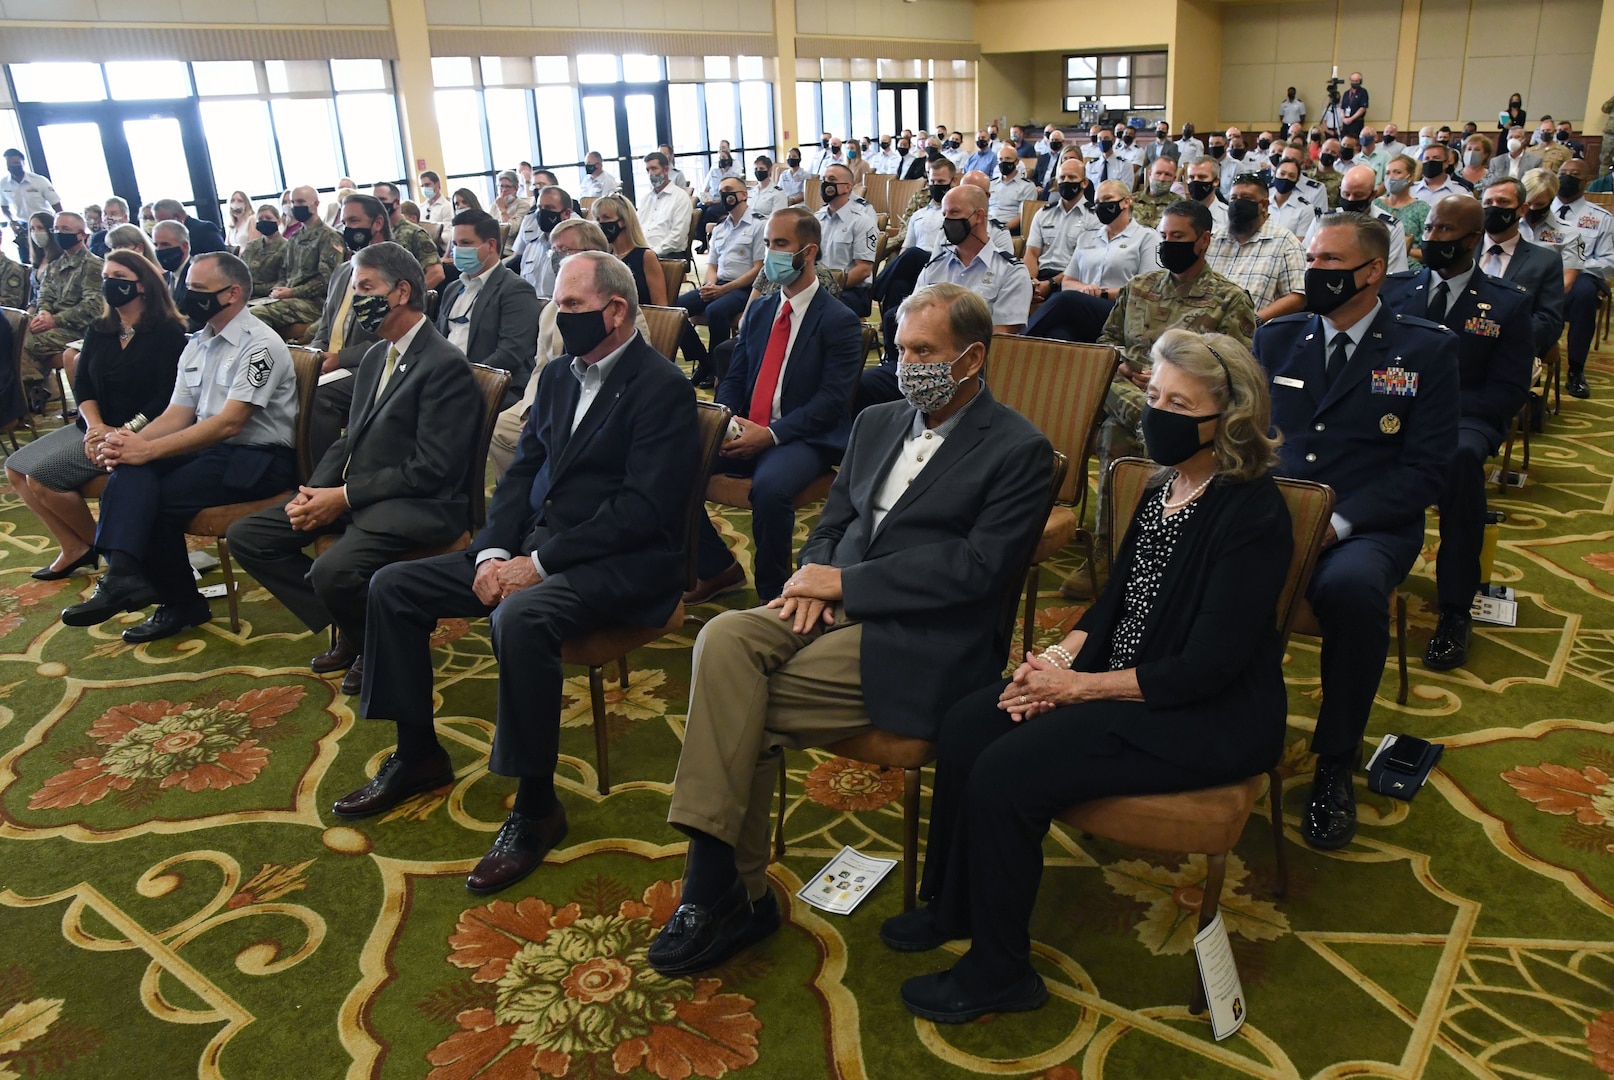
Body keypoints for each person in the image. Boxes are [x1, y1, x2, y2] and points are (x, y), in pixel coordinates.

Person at [645, 283, 1054, 978]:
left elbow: (976, 570)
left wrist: (850, 584)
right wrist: (815, 576)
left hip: (922, 642)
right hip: (830, 607)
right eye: (898, 348)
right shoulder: (877, 423)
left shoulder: (1020, 449)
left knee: (742, 711)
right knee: (723, 641)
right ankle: (727, 892)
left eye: (923, 351)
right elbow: (833, 523)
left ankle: (718, 892)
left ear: (972, 357)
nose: (904, 363)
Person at [884, 328, 1292, 1022]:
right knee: (967, 725)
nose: (1155, 413)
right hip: (1120, 680)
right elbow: (1112, 605)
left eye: (1178, 403)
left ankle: (999, 969)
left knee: (1008, 771)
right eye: (1154, 395)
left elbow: (1207, 668)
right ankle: (952, 902)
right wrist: (1057, 663)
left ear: (1231, 418)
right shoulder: (1165, 484)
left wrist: (1076, 690)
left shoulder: (1253, 514)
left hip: (1204, 712)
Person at [333, 252, 698, 895]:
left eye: (573, 306)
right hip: (538, 550)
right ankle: (418, 753)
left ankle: (536, 806)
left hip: (626, 564)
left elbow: (641, 512)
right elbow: (520, 474)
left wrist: (540, 564)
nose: (558, 315)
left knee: (521, 616)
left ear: (616, 310)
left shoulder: (660, 385)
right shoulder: (558, 376)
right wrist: (494, 553)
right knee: (393, 584)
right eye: (558, 304)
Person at [1253, 212, 1458, 850]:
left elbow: (1426, 470)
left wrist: (1337, 524)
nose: (1313, 273)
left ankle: (1336, 761)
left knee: (1352, 591)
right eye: (1311, 261)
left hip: (1368, 523)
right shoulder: (1279, 338)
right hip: (1279, 511)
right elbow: (1252, 438)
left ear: (1373, 272)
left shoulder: (1426, 348)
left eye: (1329, 265)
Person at [228, 242, 483, 695]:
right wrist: (314, 491)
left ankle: (371, 639)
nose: (356, 298)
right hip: (363, 492)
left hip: (418, 503)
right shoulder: (373, 355)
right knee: (248, 537)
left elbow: (432, 469)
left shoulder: (444, 365)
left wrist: (341, 498)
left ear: (402, 292)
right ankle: (363, 628)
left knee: (332, 572)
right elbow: (350, 440)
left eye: (366, 287)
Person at [60, 251, 299, 643]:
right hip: (211, 451)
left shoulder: (260, 345)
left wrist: (149, 450)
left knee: (153, 496)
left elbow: (230, 423)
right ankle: (123, 575)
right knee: (131, 471)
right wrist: (129, 444)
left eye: (199, 290)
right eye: (188, 288)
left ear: (232, 293)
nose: (189, 297)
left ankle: (175, 600)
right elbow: (177, 414)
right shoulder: (198, 343)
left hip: (257, 458)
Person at [1379, 196, 1533, 672]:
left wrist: (1436, 411)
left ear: (1471, 240)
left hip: (1465, 420)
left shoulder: (1507, 303)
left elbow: (1508, 391)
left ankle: (1455, 609)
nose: (1432, 238)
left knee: (1462, 461)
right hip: (1392, 410)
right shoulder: (1395, 289)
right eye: (1429, 227)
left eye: (1445, 231)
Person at [688, 207, 863, 604]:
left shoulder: (839, 321)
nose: (770, 254)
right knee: (671, 461)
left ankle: (773, 594)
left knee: (769, 490)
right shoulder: (763, 310)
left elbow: (832, 402)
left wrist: (769, 435)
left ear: (809, 252)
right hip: (748, 426)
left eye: (781, 244)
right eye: (767, 244)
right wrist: (725, 420)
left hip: (803, 436)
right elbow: (735, 375)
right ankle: (718, 567)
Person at [1089, 201, 1257, 589]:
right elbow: (1107, 342)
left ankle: (1149, 551)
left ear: (1203, 241)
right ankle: (1107, 550)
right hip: (1127, 388)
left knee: (1116, 431)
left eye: (1177, 238)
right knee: (1104, 382)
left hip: (1186, 409)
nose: (1167, 244)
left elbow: (1232, 369)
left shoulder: (1229, 298)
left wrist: (1172, 387)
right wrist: (1127, 368)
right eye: (1163, 236)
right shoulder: (1139, 287)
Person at [6, 251, 187, 579]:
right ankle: (77, 548)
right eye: (105, 277)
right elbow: (84, 384)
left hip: (140, 430)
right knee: (15, 468)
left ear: (142, 285)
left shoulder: (168, 332)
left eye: (119, 278)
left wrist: (120, 430)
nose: (109, 284)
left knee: (43, 477)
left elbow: (167, 396)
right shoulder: (101, 328)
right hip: (95, 425)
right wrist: (96, 425)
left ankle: (116, 559)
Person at [487, 221, 652, 478]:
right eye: (554, 251)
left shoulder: (622, 312)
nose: (556, 258)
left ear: (592, 252)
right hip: (554, 399)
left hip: (602, 403)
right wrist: (532, 410)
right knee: (499, 429)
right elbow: (541, 367)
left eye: (565, 250)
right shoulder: (552, 310)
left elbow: (634, 371)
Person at [301, 193, 392, 464]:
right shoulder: (343, 271)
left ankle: (324, 473)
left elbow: (392, 340)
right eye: (344, 222)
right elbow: (325, 327)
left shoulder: (395, 269)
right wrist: (313, 356)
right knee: (289, 382)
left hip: (371, 365)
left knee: (317, 395)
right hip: (331, 363)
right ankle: (291, 468)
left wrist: (339, 359)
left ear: (377, 223)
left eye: (354, 221)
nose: (347, 229)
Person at [437, 208, 540, 407]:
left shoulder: (515, 290)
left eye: (466, 243)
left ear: (491, 245)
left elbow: (510, 353)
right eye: (456, 244)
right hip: (446, 383)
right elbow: (437, 339)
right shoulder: (453, 289)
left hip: (492, 386)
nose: (458, 250)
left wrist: (461, 379)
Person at [677, 177, 766, 385]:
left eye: (729, 190)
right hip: (719, 284)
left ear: (744, 194)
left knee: (715, 310)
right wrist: (710, 285)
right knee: (677, 309)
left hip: (744, 287)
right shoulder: (720, 228)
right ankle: (704, 359)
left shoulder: (759, 225)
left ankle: (717, 371)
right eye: (721, 191)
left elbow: (758, 269)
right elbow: (712, 266)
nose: (724, 195)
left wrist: (723, 289)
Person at [1548, 160, 1613, 399]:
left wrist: (1575, 266)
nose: (1566, 178)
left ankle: (1576, 369)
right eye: (1562, 173)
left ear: (1587, 182)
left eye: (1574, 174)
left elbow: (1608, 260)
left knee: (1585, 294)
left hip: (1582, 277)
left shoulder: (1600, 217)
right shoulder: (1540, 210)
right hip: (1541, 273)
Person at [1480, 178, 1567, 355]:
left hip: (1511, 350)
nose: (1494, 207)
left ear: (1522, 209)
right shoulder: (1463, 250)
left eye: (1503, 202)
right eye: (1488, 202)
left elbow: (1549, 320)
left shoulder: (1545, 261)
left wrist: (1498, 336)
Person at [1206, 173, 1306, 323]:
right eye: (1234, 198)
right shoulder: (1214, 239)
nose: (1238, 203)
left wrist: (1255, 320)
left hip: (1251, 333)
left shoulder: (1285, 243)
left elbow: (1297, 297)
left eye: (1246, 198)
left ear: (1264, 205)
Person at [24, 212, 103, 381]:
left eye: (65, 229)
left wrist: (55, 320)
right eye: (56, 229)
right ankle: (30, 390)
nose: (59, 233)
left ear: (82, 234)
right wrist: (44, 312)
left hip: (80, 329)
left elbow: (92, 307)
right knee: (14, 334)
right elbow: (44, 295)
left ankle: (32, 390)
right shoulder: (55, 266)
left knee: (23, 343)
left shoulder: (93, 265)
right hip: (53, 326)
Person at [253, 186, 342, 333]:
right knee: (241, 313)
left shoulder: (329, 237)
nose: (296, 207)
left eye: (301, 202)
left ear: (316, 204)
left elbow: (327, 281)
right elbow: (286, 273)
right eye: (293, 203)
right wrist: (279, 289)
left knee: (256, 315)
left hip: (315, 303)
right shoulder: (295, 237)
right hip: (290, 298)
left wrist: (292, 292)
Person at [1312, 165, 1411, 273]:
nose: (1351, 199)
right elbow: (1306, 261)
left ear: (1373, 195)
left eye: (1358, 195)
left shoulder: (1390, 227)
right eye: (1346, 194)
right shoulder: (1323, 221)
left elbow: (1393, 273)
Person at [1024, 158, 1096, 301]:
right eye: (1062, 177)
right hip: (1040, 277)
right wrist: (1032, 283)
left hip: (1071, 280)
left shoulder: (1094, 217)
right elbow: (1032, 253)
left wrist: (1051, 284)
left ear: (1084, 183)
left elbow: (1085, 263)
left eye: (1072, 177)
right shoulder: (1043, 213)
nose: (1066, 181)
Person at [815, 164, 879, 316]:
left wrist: (830, 287)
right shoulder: (815, 219)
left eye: (831, 180)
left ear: (847, 187)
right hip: (818, 287)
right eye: (824, 179)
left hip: (850, 291)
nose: (825, 184)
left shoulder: (862, 221)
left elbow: (863, 269)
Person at [591, 194, 668, 307]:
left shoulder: (646, 256)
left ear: (623, 221)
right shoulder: (603, 257)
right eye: (598, 219)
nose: (601, 223)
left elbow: (661, 305)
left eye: (606, 217)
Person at [1519, 168, 1585, 299]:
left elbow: (1567, 279)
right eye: (1528, 203)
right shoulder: (1508, 227)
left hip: (1545, 298)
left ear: (1551, 199)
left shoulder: (1569, 233)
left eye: (1540, 204)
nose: (1532, 209)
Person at [374, 181, 444, 291]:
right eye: (375, 201)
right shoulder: (377, 234)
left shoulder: (415, 233)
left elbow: (436, 273)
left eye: (382, 200)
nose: (378, 205)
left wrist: (411, 296)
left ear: (396, 203)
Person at [1, 148, 62, 265]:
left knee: (51, 255)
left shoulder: (39, 181)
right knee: (29, 259)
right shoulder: (3, 184)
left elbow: (56, 205)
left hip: (44, 223)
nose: (13, 167)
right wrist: (12, 221)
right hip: (23, 226)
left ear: (23, 162)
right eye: (9, 164)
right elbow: (4, 207)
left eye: (16, 163)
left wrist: (59, 225)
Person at [512, 185, 573, 297]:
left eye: (549, 208)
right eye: (540, 208)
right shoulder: (531, 246)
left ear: (566, 214)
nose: (542, 213)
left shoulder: (574, 248)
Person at [638, 152, 694, 260]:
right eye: (647, 170)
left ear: (666, 170)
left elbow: (677, 237)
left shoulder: (680, 197)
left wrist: (652, 253)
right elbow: (637, 229)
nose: (650, 173)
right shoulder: (645, 199)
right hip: (644, 252)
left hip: (668, 254)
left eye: (654, 169)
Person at [240, 205, 287, 299]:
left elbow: (284, 280)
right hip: (247, 295)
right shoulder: (251, 246)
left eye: (268, 218)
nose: (264, 221)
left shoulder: (286, 247)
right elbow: (240, 272)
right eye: (260, 219)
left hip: (270, 296)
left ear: (278, 221)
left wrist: (252, 289)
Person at [989, 146, 1038, 235]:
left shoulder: (1027, 186)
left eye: (1008, 159)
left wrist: (1002, 229)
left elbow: (1023, 215)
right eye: (1000, 159)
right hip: (987, 227)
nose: (1003, 162)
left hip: (1009, 230)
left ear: (1016, 161)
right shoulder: (991, 184)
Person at [152, 198, 226, 256]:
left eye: (163, 222)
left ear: (177, 217)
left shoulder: (204, 230)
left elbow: (221, 259)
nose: (160, 226)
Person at [1338, 73, 1369, 138]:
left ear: (1360, 81)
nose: (1354, 83)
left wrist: (1351, 119)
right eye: (1353, 81)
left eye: (1356, 81)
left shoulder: (1363, 92)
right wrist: (1343, 118)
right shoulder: (1346, 93)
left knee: (1354, 140)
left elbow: (1363, 108)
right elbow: (1342, 108)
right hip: (1345, 123)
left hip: (1356, 122)